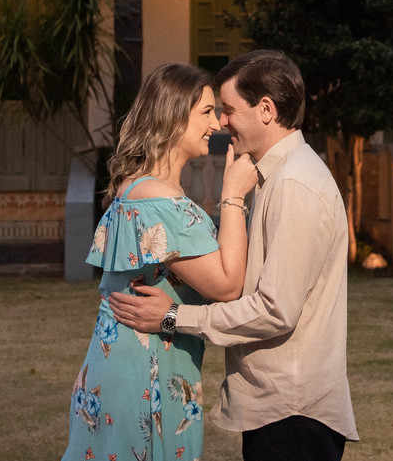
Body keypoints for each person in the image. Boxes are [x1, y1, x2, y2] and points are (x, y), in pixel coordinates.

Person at [110, 50, 358, 461]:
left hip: (291, 413)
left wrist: (173, 317)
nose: (221, 123)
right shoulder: (277, 176)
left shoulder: (295, 183)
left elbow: (275, 310)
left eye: (227, 110)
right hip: (278, 410)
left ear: (265, 110)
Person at [61, 63, 259, 461]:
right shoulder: (156, 199)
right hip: (144, 369)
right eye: (205, 112)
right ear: (171, 117)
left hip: (134, 362)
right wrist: (233, 195)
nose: (217, 123)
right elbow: (226, 285)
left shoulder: (141, 187)